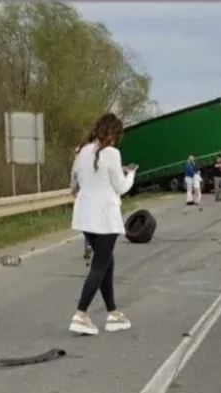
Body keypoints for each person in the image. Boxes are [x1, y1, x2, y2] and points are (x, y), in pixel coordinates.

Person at [69, 113, 135, 335]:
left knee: (107, 263)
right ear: (114, 133)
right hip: (105, 217)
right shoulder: (112, 153)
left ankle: (113, 313)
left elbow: (74, 182)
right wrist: (132, 174)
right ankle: (81, 313)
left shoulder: (82, 151)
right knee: (99, 266)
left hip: (85, 216)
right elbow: (121, 187)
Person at [72, 143, 93, 260]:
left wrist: (73, 189)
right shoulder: (90, 160)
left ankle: (89, 244)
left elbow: (74, 177)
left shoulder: (78, 164)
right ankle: (90, 244)